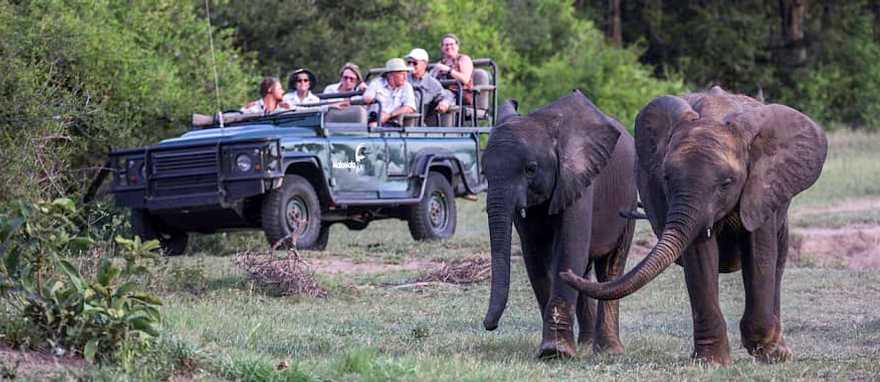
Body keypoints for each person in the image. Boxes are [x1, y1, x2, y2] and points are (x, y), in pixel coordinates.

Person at [405, 48, 454, 124]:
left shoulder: (432, 83)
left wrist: (445, 103)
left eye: (414, 63)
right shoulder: (403, 77)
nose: (411, 65)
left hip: (412, 121)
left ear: (424, 64)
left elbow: (448, 95)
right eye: (409, 62)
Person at [363, 58, 416, 126]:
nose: (405, 77)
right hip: (376, 120)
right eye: (402, 74)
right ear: (391, 75)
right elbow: (366, 98)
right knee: (373, 125)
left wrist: (389, 115)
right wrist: (369, 98)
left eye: (406, 73)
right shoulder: (377, 83)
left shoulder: (407, 86)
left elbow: (409, 107)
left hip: (396, 123)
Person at [431, 33, 474, 105]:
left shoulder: (463, 59)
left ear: (457, 46)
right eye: (446, 45)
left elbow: (465, 79)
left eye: (451, 44)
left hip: (460, 94)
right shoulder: (441, 63)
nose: (449, 47)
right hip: (441, 93)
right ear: (442, 48)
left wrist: (448, 70)